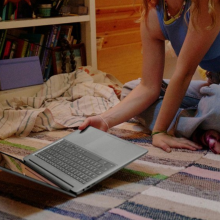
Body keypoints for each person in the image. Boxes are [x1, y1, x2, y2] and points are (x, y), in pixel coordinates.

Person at [79, 0, 220, 154]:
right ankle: (201, 128)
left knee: (216, 104)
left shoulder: (206, 4)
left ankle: (193, 126)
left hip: (215, 93)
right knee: (129, 90)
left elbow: (184, 73)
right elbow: (148, 87)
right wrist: (105, 120)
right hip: (213, 83)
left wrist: (160, 131)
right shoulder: (153, 13)